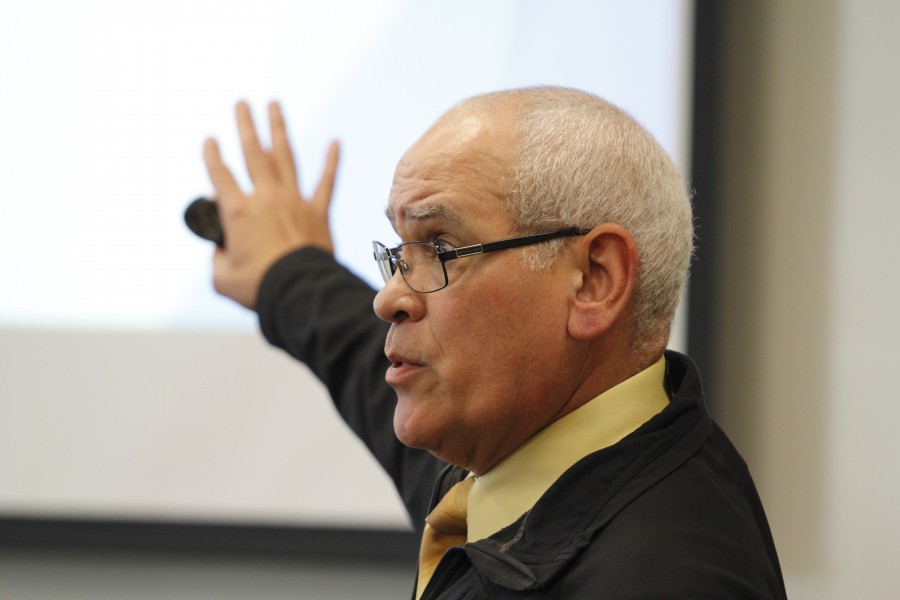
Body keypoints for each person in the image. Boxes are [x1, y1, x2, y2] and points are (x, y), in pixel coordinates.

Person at [202, 87, 787, 599]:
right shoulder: (514, 459)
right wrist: (289, 270)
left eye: (441, 247)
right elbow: (357, 352)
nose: (390, 299)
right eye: (399, 252)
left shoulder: (662, 580)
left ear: (594, 281)